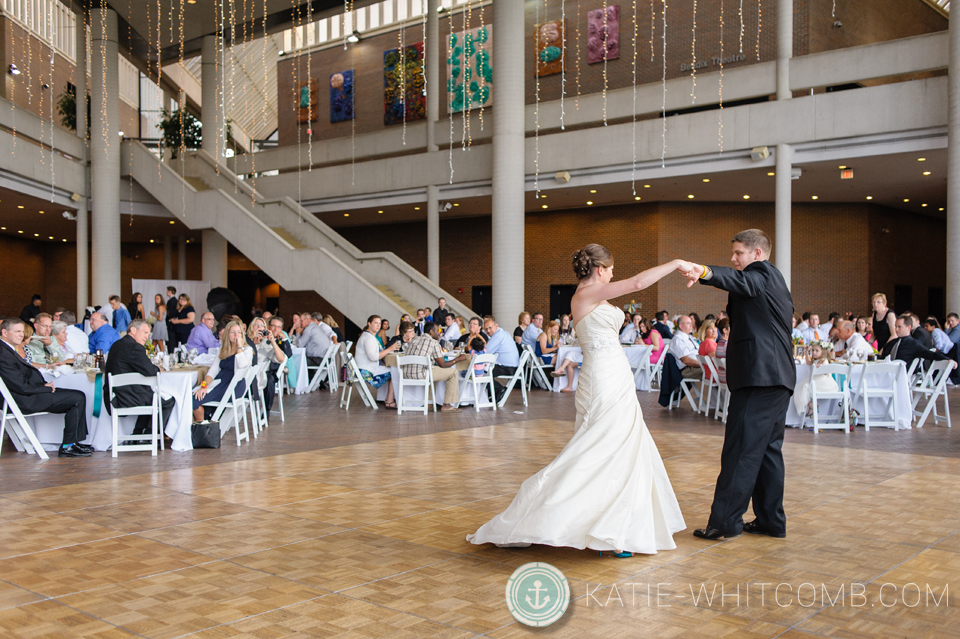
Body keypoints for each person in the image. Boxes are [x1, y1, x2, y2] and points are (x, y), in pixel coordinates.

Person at [469, 244, 686, 556]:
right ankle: (584, 523)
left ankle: (613, 527)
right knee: (600, 444)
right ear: (600, 269)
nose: (613, 276)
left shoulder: (592, 295)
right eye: (611, 270)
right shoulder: (586, 294)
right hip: (603, 376)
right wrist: (676, 261)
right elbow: (639, 283)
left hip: (612, 373)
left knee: (619, 445)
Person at [678, 228, 796, 541]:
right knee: (768, 451)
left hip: (760, 377)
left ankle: (725, 523)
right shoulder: (771, 279)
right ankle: (771, 520)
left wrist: (703, 271)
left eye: (738, 253)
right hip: (775, 377)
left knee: (740, 450)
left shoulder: (762, 274)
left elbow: (741, 281)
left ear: (757, 253)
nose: (733, 259)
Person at [0, 318, 90, 457]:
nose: (21, 335)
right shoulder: (3, 353)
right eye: (17, 331)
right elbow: (20, 386)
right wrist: (45, 388)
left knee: (78, 395)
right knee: (77, 398)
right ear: (4, 332)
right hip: (23, 399)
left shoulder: (7, 350)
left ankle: (72, 443)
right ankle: (69, 445)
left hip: (27, 394)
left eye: (22, 332)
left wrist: (43, 386)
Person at [103, 320, 176, 440]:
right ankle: (150, 436)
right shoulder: (135, 347)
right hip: (127, 397)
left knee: (152, 397)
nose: (147, 337)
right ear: (133, 330)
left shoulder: (116, 345)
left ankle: (137, 435)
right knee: (167, 401)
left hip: (115, 395)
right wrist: (157, 368)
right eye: (145, 332)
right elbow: (151, 371)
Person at [192, 320, 253, 421]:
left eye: (239, 332)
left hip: (234, 387)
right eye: (233, 332)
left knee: (194, 400)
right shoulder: (223, 350)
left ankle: (202, 431)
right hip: (220, 383)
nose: (236, 335)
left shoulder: (247, 350)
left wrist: (239, 347)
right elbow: (213, 370)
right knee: (192, 396)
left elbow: (242, 365)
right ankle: (199, 428)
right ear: (227, 334)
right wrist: (204, 386)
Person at [402, 322, 466, 412]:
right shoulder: (433, 342)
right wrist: (458, 359)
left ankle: (429, 403)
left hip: (406, 373)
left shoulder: (414, 339)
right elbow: (443, 364)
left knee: (432, 370)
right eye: (437, 331)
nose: (439, 333)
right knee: (453, 372)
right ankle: (447, 405)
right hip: (422, 374)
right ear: (431, 332)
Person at [356, 315, 399, 408]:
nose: (378, 325)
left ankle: (386, 398)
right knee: (395, 372)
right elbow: (373, 357)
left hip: (365, 368)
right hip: (366, 371)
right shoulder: (368, 337)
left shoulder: (369, 336)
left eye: (379, 323)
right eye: (375, 323)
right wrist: (391, 348)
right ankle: (389, 401)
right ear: (369, 324)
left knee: (390, 369)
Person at [793, 342, 839, 419]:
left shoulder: (823, 360)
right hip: (816, 382)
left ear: (823, 351)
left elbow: (826, 372)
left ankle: (812, 407)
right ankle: (811, 405)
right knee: (802, 386)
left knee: (805, 386)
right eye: (813, 350)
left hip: (824, 384)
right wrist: (806, 353)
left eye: (817, 351)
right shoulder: (815, 360)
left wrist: (821, 367)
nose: (814, 352)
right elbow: (808, 362)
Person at [483, 316, 521, 401]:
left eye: (490, 328)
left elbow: (486, 352)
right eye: (486, 329)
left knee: (480, 373)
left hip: (507, 367)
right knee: (483, 371)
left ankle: (499, 389)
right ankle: (493, 393)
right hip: (511, 366)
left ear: (496, 326)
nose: (488, 331)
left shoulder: (498, 335)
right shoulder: (502, 333)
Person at [671, 315, 703, 380]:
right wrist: (704, 364)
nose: (691, 325)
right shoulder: (678, 339)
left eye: (691, 323)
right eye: (688, 323)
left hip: (695, 366)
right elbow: (686, 360)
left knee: (718, 371)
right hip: (688, 369)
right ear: (681, 326)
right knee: (715, 372)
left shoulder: (688, 337)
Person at [713, 317, 730, 384]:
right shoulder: (726, 344)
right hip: (728, 379)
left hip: (721, 377)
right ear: (725, 330)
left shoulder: (720, 343)